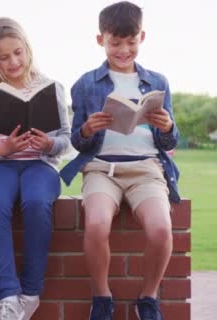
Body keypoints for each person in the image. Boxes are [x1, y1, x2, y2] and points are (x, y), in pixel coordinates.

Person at [59, 2, 180, 319]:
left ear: (142, 37)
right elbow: (77, 139)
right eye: (115, 42)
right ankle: (102, 297)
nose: (124, 50)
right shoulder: (86, 84)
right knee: (97, 224)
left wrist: (167, 126)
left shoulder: (158, 82)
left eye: (131, 42)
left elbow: (170, 140)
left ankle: (148, 298)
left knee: (161, 230)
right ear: (101, 40)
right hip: (102, 168)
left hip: (146, 169)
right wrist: (86, 128)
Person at [0, 17, 72, 320]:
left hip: (40, 165)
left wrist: (49, 145)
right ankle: (8, 296)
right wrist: (3, 149)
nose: (13, 61)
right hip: (1, 166)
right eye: (4, 57)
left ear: (27, 50)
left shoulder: (52, 88)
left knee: (37, 201)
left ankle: (30, 292)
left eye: (18, 52)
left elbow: (66, 139)